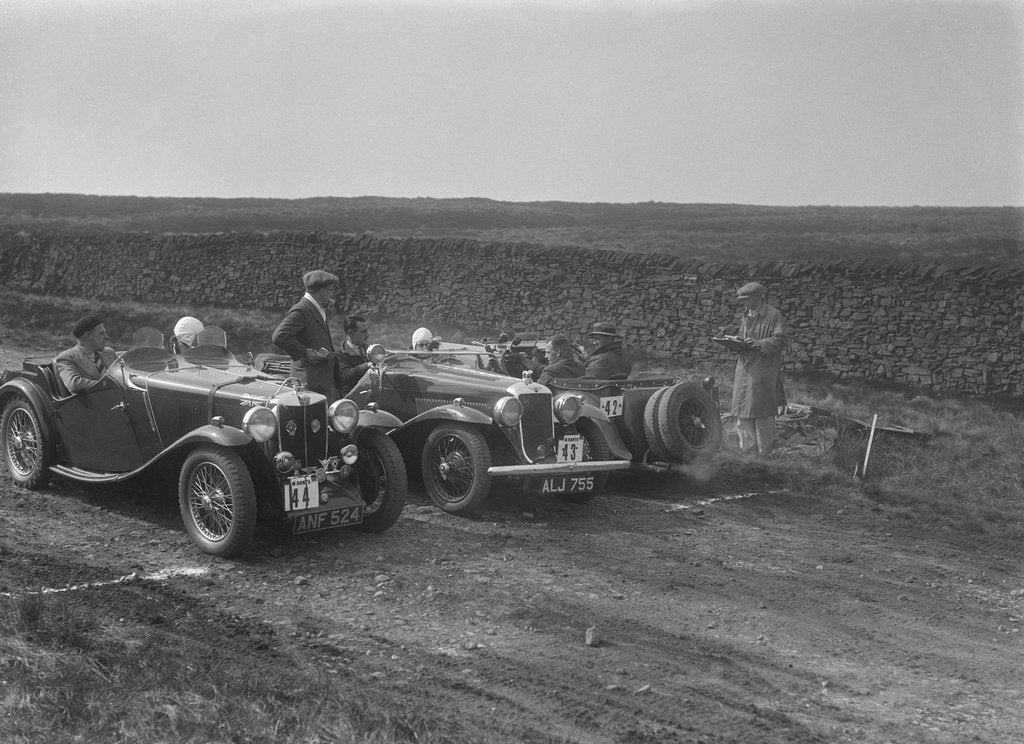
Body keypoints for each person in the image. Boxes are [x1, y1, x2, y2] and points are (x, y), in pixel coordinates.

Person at [731, 281, 788, 456]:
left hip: (764, 369)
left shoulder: (774, 315)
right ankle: (748, 450)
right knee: (742, 405)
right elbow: (744, 337)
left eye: (746, 299)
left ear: (758, 297)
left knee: (761, 407)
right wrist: (736, 342)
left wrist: (758, 343)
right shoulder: (746, 315)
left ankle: (764, 452)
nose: (743, 303)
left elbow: (781, 341)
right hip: (745, 366)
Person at [271, 270, 340, 399]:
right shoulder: (302, 310)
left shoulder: (317, 308)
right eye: (330, 290)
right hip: (309, 382)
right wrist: (306, 352)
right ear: (322, 291)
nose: (332, 294)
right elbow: (279, 336)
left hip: (322, 380)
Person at [54, 314, 117, 393]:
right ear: (88, 335)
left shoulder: (109, 352)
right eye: (101, 333)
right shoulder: (67, 357)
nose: (106, 337)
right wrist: (108, 385)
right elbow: (74, 384)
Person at [336, 314, 372, 396]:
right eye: (363, 331)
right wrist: (368, 365)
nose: (368, 334)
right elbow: (345, 376)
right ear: (351, 333)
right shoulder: (340, 354)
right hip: (353, 397)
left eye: (367, 330)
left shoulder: (369, 349)